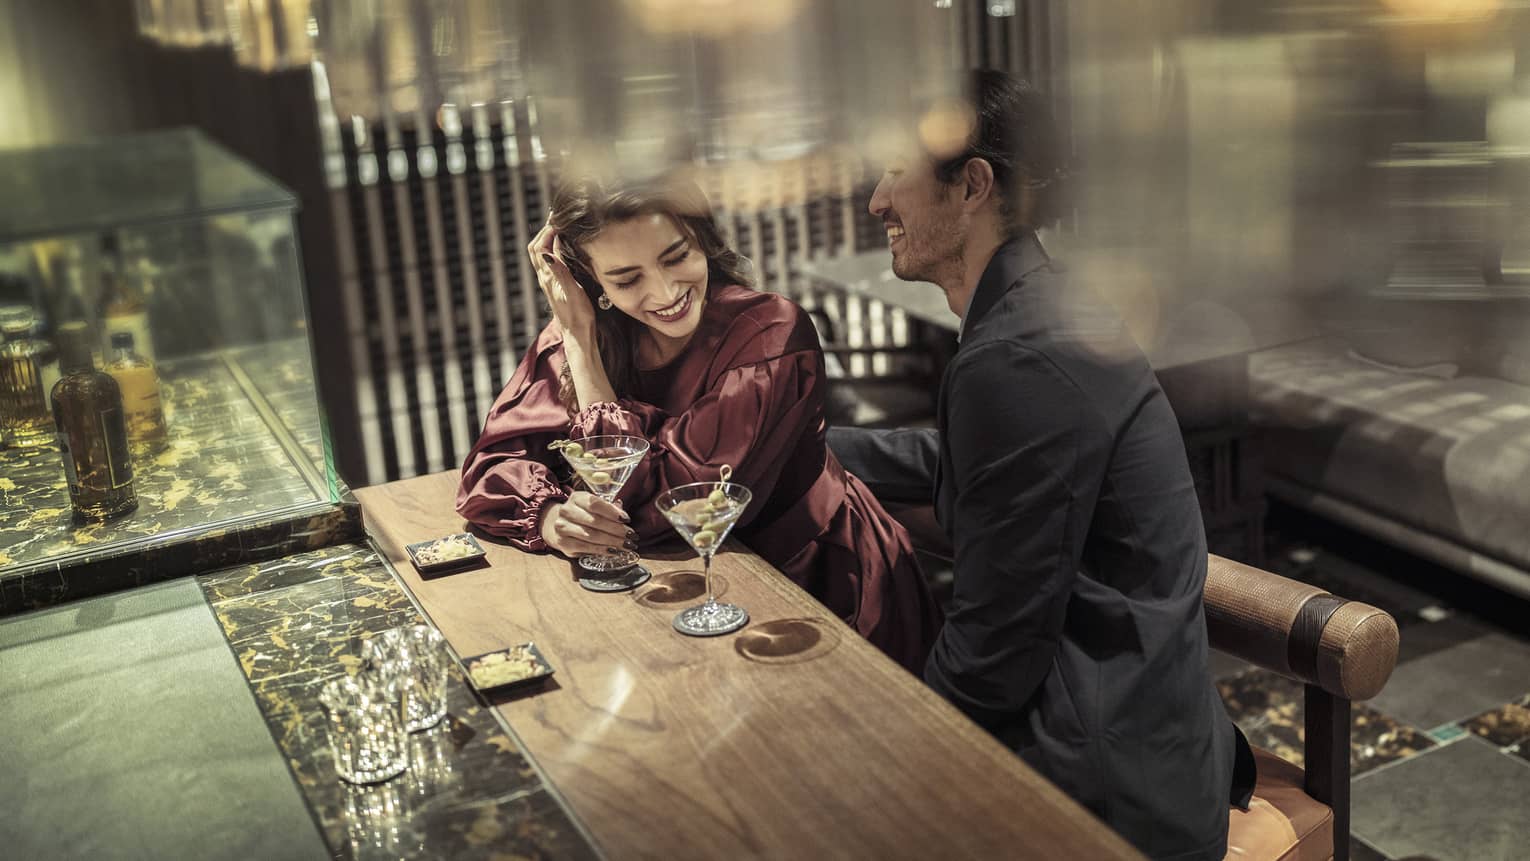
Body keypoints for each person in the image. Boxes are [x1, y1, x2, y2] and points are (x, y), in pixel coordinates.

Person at [830, 70, 1254, 859]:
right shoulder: (1035, 306)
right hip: (1139, 731)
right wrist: (814, 446)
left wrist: (890, 764)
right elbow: (986, 468)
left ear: (973, 186)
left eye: (895, 172)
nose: (876, 202)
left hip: (1108, 789)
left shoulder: (1016, 355)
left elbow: (992, 656)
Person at [456, 173, 942, 673]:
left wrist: (584, 355)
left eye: (676, 257)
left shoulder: (770, 333)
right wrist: (552, 519)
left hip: (816, 588)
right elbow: (492, 463)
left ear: (702, 239)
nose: (664, 292)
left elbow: (674, 509)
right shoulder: (579, 332)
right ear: (587, 279)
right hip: (674, 599)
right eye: (626, 279)